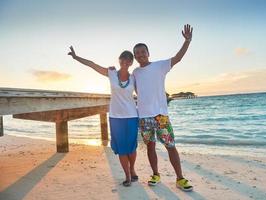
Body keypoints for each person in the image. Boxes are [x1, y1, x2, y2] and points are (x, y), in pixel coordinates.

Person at [132, 24, 193, 191]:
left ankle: (180, 178)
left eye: (143, 51)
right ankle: (156, 174)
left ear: (148, 53)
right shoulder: (135, 73)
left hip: (161, 116)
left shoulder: (160, 65)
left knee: (170, 146)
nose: (140, 55)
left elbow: (178, 58)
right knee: (150, 146)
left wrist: (187, 41)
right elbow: (134, 89)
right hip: (144, 117)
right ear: (135, 57)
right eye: (137, 53)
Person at [68, 47, 138, 187]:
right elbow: (92, 64)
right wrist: (76, 57)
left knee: (131, 147)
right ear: (119, 60)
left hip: (131, 116)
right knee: (122, 148)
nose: (125, 61)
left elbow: (143, 94)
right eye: (123, 59)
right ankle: (127, 175)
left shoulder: (134, 78)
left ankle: (132, 168)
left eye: (128, 60)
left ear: (131, 62)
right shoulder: (111, 73)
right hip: (115, 116)